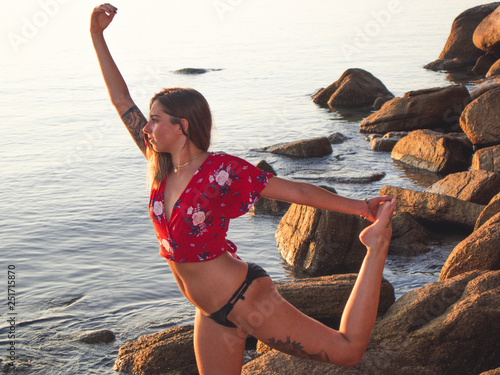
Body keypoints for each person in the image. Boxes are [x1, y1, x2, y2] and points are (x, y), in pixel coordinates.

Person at [90, 4, 396, 374]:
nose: (148, 127)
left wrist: (363, 206)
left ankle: (375, 247)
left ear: (182, 126)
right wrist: (97, 35)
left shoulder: (222, 171)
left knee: (348, 351)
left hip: (244, 298)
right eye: (150, 120)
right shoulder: (161, 166)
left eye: (156, 120)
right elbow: (122, 101)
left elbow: (297, 192)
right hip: (210, 311)